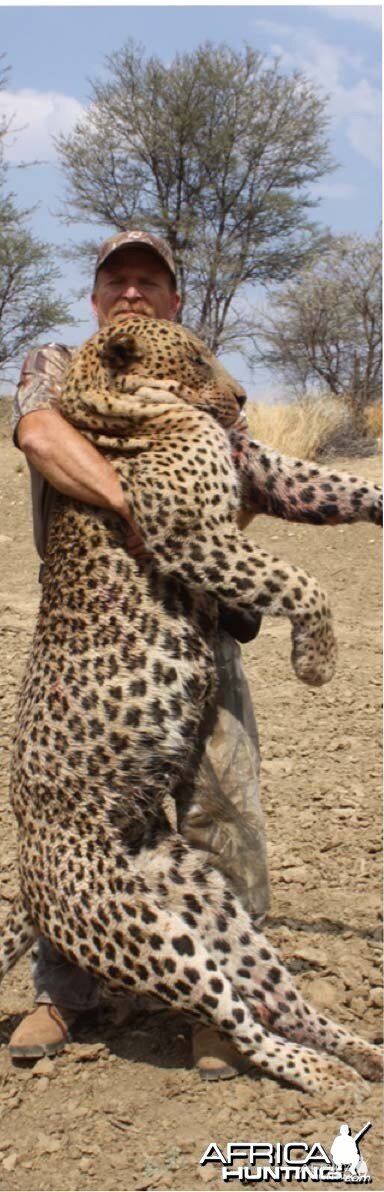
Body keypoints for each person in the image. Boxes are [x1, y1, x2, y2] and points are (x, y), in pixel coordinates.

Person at [9, 229, 269, 1078]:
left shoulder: (210, 386)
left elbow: (242, 499)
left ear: (174, 301)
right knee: (66, 813)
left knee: (220, 812)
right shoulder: (57, 360)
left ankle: (224, 1007)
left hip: (193, 627)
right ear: (93, 299)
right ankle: (64, 990)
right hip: (85, 638)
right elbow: (40, 435)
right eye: (114, 280)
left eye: (147, 281)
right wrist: (137, 502)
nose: (130, 293)